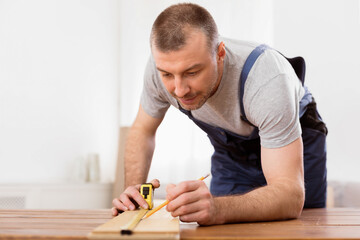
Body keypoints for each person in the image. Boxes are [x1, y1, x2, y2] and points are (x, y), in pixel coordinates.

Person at [112, 3, 328, 225]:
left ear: (220, 54)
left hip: (294, 140)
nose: (179, 90)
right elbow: (142, 131)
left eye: (192, 72)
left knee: (298, 227)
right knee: (218, 228)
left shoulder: (267, 81)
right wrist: (133, 195)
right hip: (231, 150)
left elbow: (290, 196)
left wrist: (217, 208)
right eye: (167, 74)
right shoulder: (160, 68)